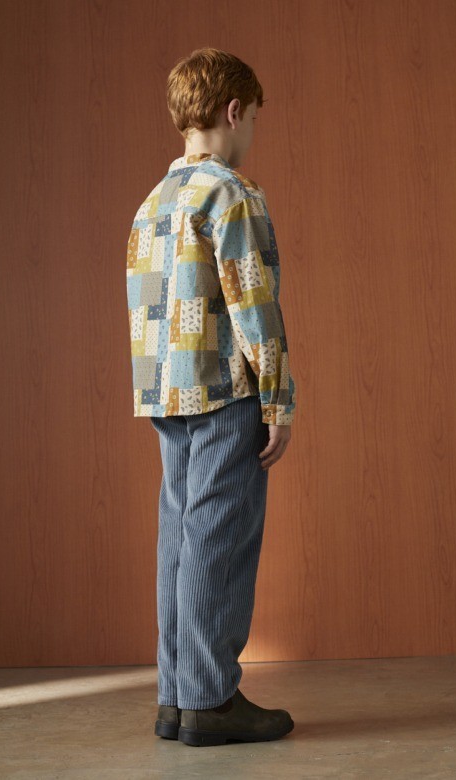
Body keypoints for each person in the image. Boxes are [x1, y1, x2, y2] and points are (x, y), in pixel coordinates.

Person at [125, 47, 297, 747]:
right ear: (233, 111)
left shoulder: (153, 203)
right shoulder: (229, 194)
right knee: (219, 539)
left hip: (165, 391)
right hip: (225, 390)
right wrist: (277, 398)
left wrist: (158, 386)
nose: (251, 131)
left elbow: (145, 306)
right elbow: (252, 302)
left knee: (180, 539)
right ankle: (211, 700)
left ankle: (177, 696)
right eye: (252, 117)